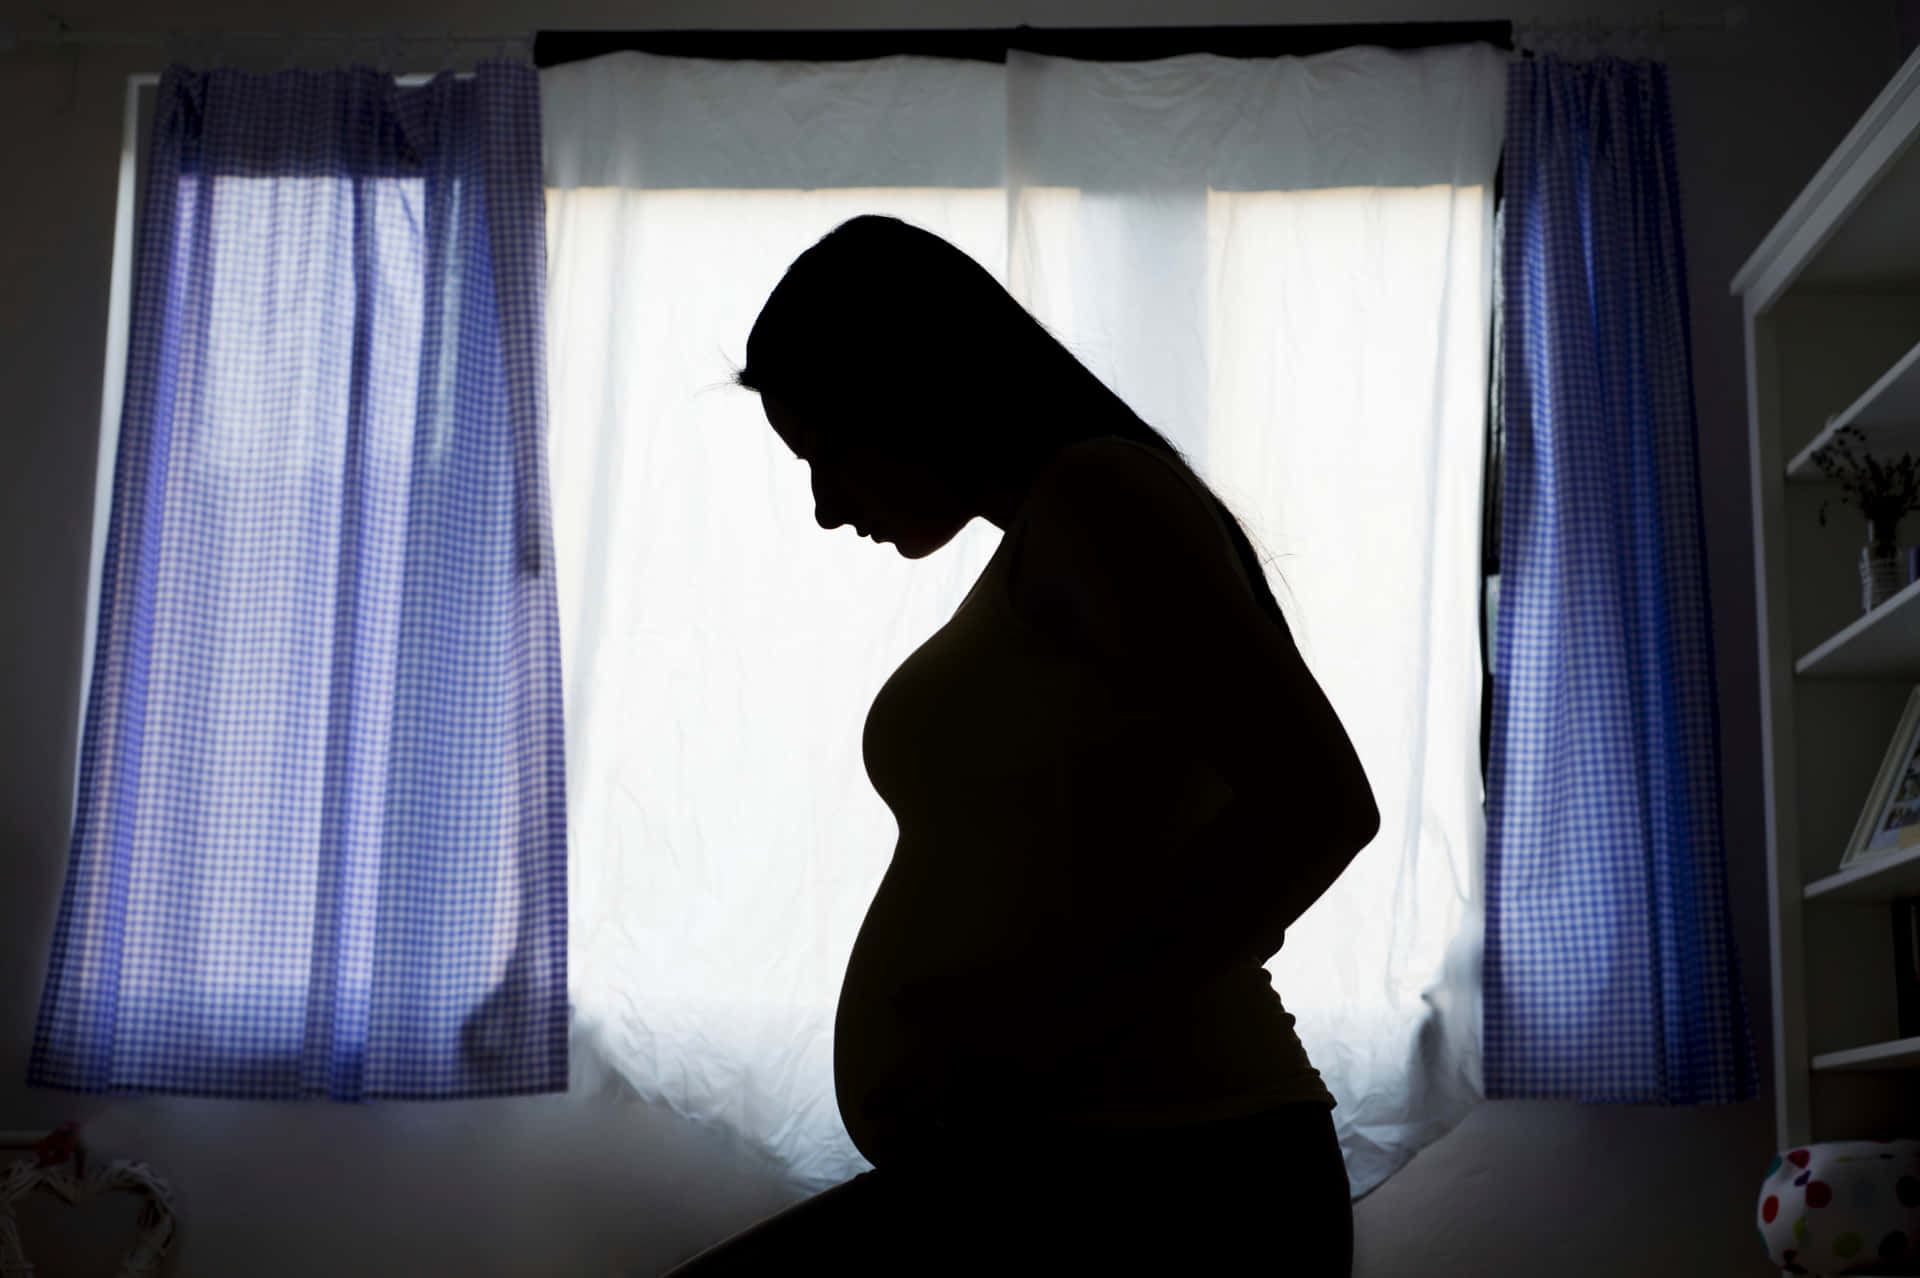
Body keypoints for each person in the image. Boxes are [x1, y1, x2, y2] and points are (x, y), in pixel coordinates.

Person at [662, 215, 1378, 1276]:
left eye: (827, 455)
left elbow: (1319, 807)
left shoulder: (1102, 499)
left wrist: (1017, 1042)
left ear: (911, 389)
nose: (822, 509)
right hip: (1078, 1157)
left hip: (1177, 1168)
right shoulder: (1054, 532)